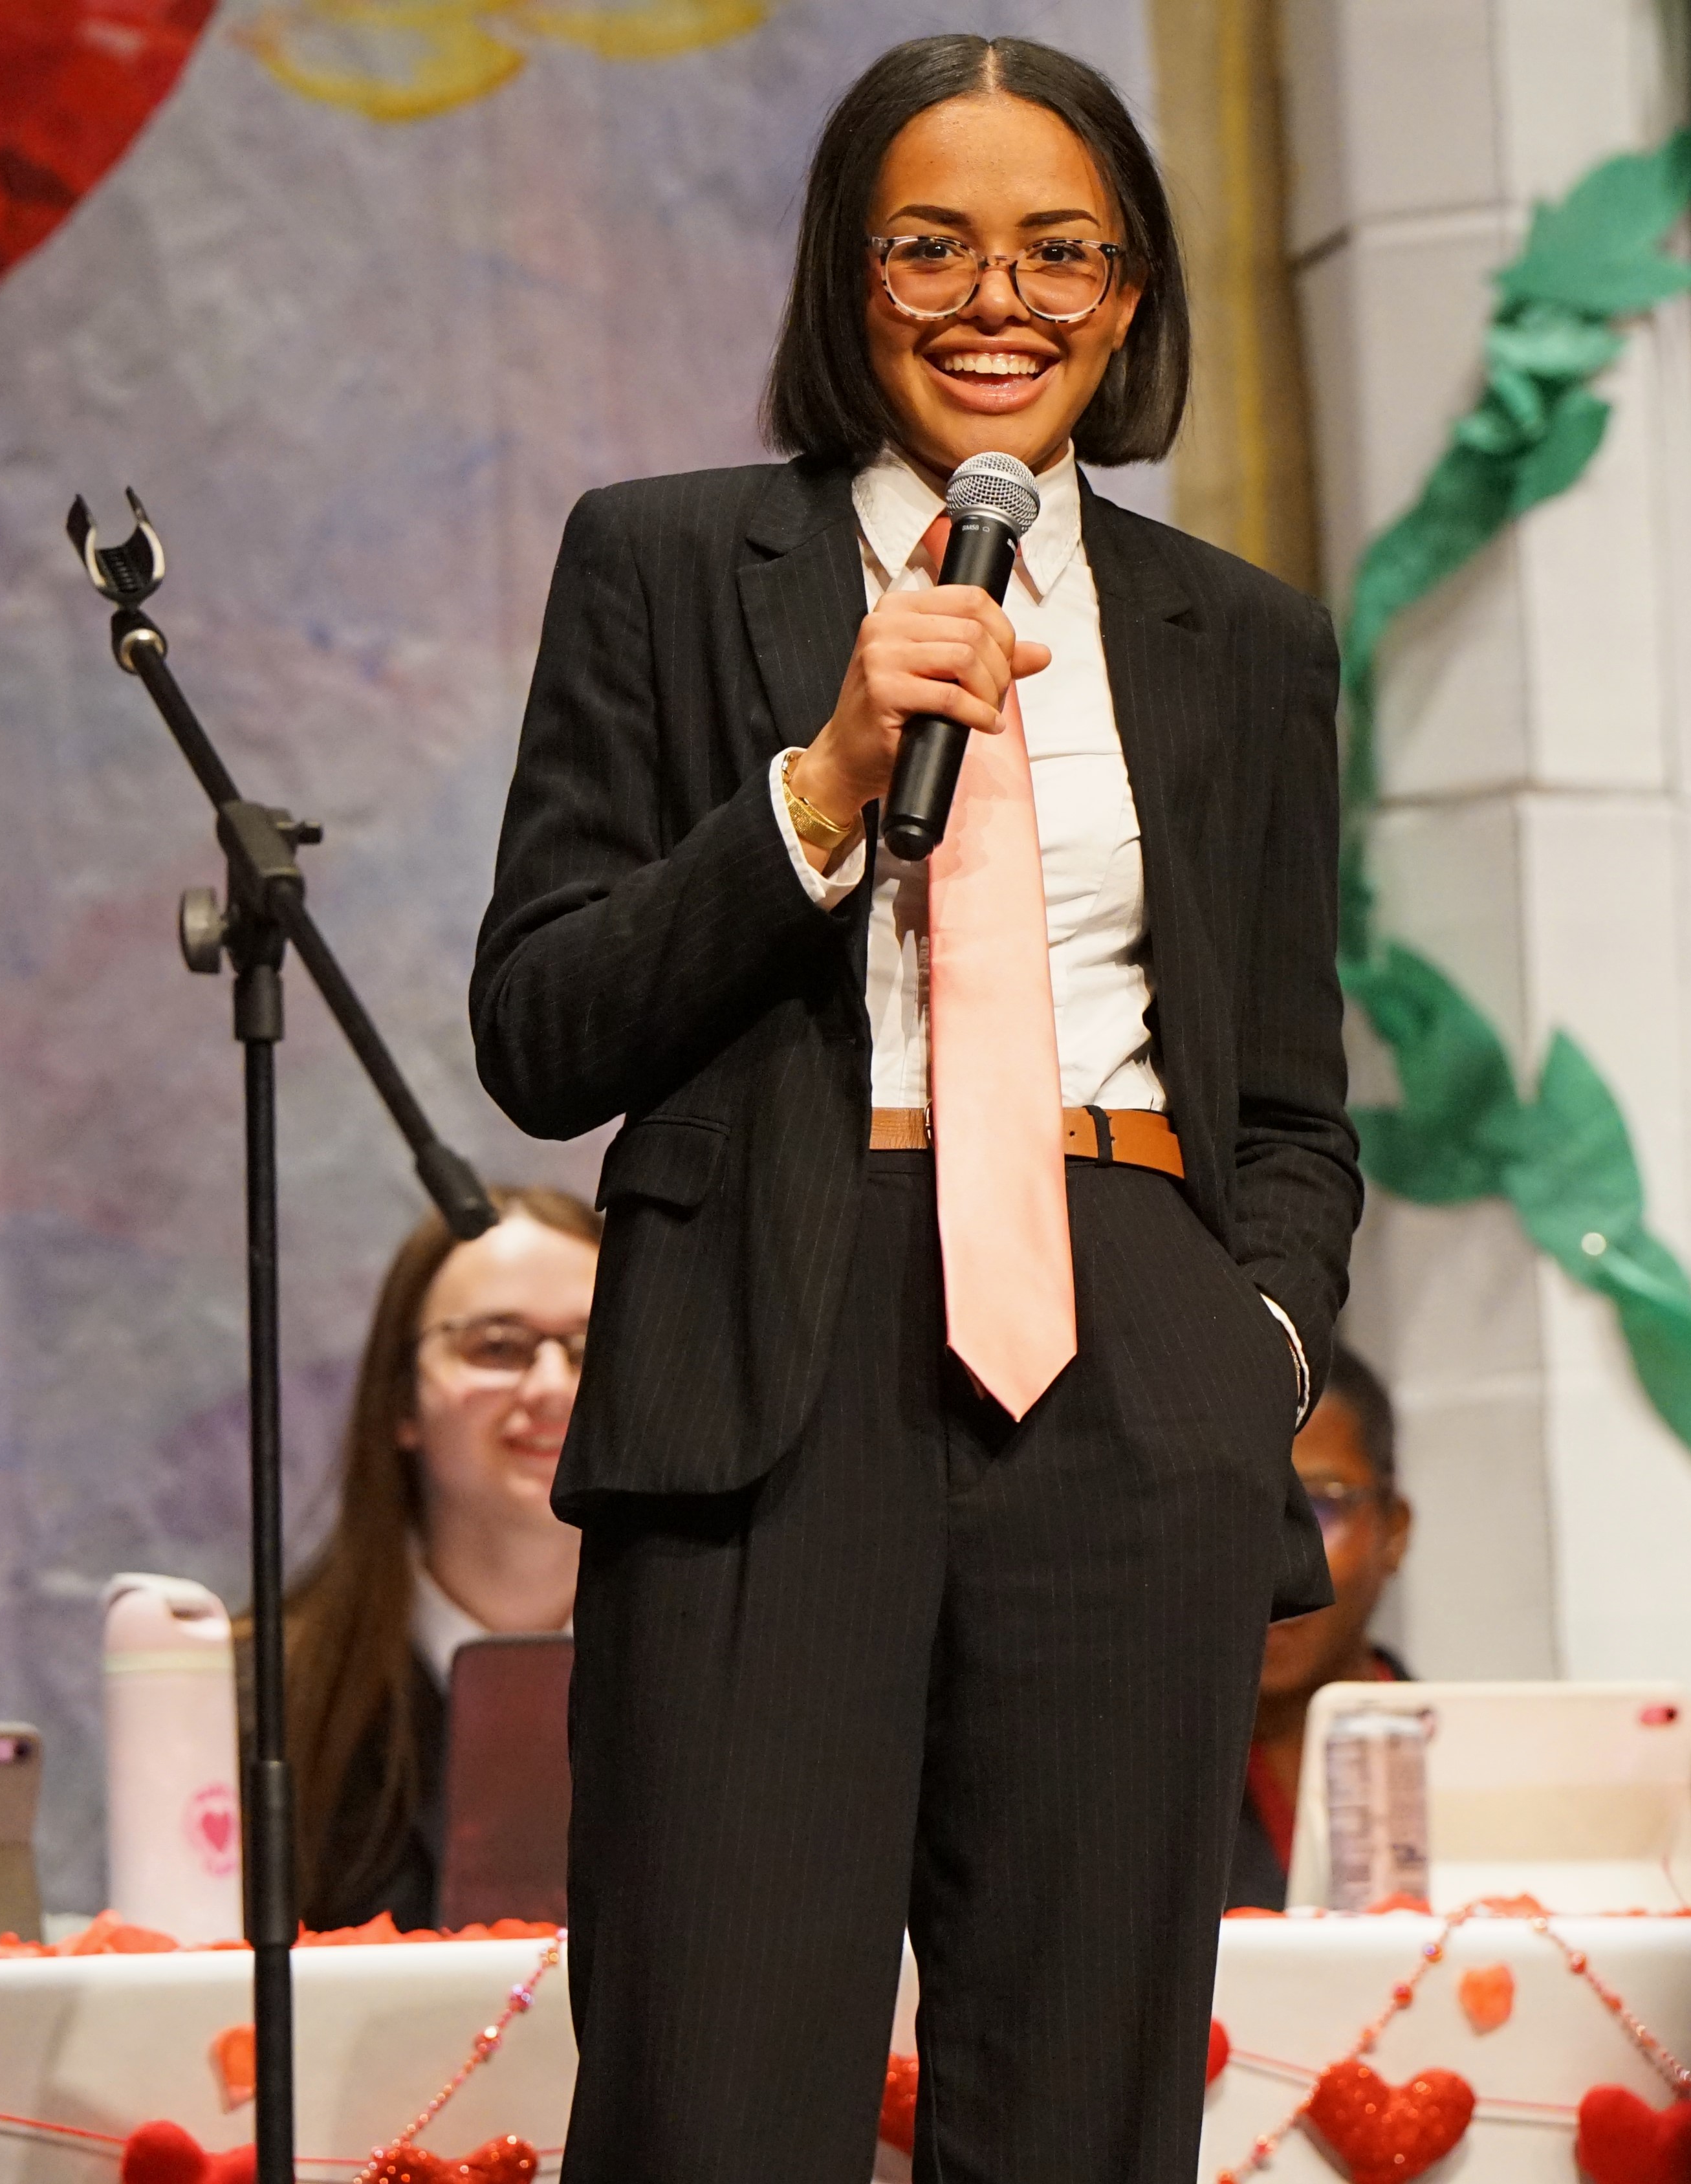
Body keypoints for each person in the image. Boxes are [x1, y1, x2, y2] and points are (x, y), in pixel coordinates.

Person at [472, 34, 1360, 2183]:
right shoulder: (673, 567)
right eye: (933, 247)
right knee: (716, 2085)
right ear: (844, 279)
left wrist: (1241, 1353)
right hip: (775, 1350)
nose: (998, 302)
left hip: (1126, 1346)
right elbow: (541, 1023)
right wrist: (816, 789)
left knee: (1082, 2094)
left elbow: (1288, 1100)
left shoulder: (1235, 638)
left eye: (1061, 254)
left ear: (1127, 298)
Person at [279, 1186, 600, 1932]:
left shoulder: (742, 1690)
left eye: (598, 1347)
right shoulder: (259, 1702)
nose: (553, 1387)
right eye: (497, 1347)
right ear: (400, 1398)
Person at [1226, 1348, 1414, 1911]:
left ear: (1394, 1531)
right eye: (1234, 1513)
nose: (1278, 1564)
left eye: (1318, 1510)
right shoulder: (1131, 1796)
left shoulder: (1486, 1770)